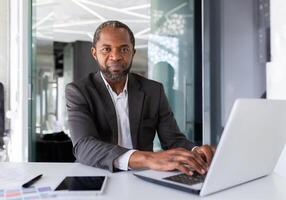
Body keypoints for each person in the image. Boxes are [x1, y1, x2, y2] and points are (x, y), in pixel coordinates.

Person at [65, 20, 215, 176]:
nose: (115, 56)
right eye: (106, 49)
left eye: (124, 49)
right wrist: (147, 158)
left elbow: (173, 139)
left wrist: (195, 151)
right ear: (95, 53)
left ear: (132, 52)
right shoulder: (79, 91)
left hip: (142, 176)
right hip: (97, 174)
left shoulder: (153, 90)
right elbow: (83, 146)